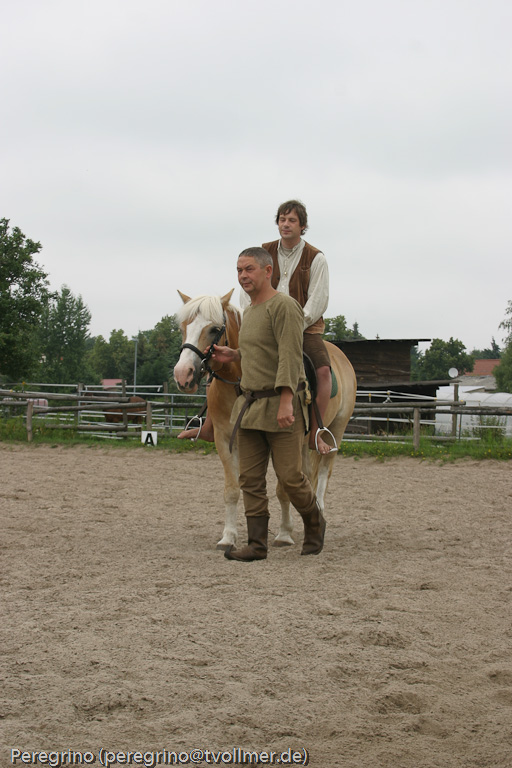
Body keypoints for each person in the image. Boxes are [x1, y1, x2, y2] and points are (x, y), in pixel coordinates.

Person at [178, 199, 333, 454]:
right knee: (216, 359)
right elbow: (246, 289)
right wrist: (252, 319)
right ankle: (209, 425)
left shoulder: (316, 258)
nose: (285, 224)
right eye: (282, 219)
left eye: (292, 220)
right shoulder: (263, 253)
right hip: (260, 326)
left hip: (304, 329)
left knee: (324, 371)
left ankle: (317, 431)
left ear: (302, 226)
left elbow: (319, 299)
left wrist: (292, 324)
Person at [210, 247, 326, 562]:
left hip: (279, 405)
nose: (243, 276)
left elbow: (290, 354)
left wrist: (287, 400)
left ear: (267, 271)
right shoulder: (250, 311)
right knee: (250, 479)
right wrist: (234, 354)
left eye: (249, 269)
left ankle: (315, 523)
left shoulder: (284, 306)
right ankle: (257, 545)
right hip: (250, 407)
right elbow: (260, 350)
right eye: (239, 270)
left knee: (290, 477)